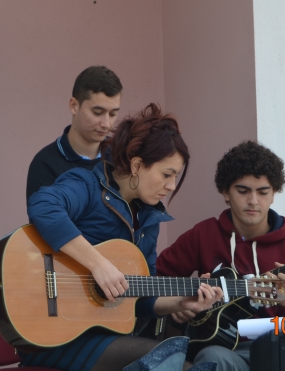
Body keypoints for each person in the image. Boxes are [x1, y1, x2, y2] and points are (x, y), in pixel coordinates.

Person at [24, 103, 222, 371]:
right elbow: (44, 205)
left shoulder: (149, 218)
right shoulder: (87, 185)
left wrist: (181, 302)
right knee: (167, 355)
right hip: (54, 334)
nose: (172, 186)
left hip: (106, 337)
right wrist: (98, 265)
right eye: (167, 174)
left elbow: (141, 297)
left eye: (175, 176)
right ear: (138, 165)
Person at [156, 141, 285, 371]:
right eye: (243, 191)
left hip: (278, 353)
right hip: (222, 351)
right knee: (214, 358)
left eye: (263, 192)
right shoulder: (204, 234)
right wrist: (175, 307)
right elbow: (156, 276)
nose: (253, 201)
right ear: (225, 192)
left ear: (273, 195)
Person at [26, 65, 122, 202]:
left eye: (113, 114)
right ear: (74, 106)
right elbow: (45, 221)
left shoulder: (123, 157)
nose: (106, 123)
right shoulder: (45, 164)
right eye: (97, 112)